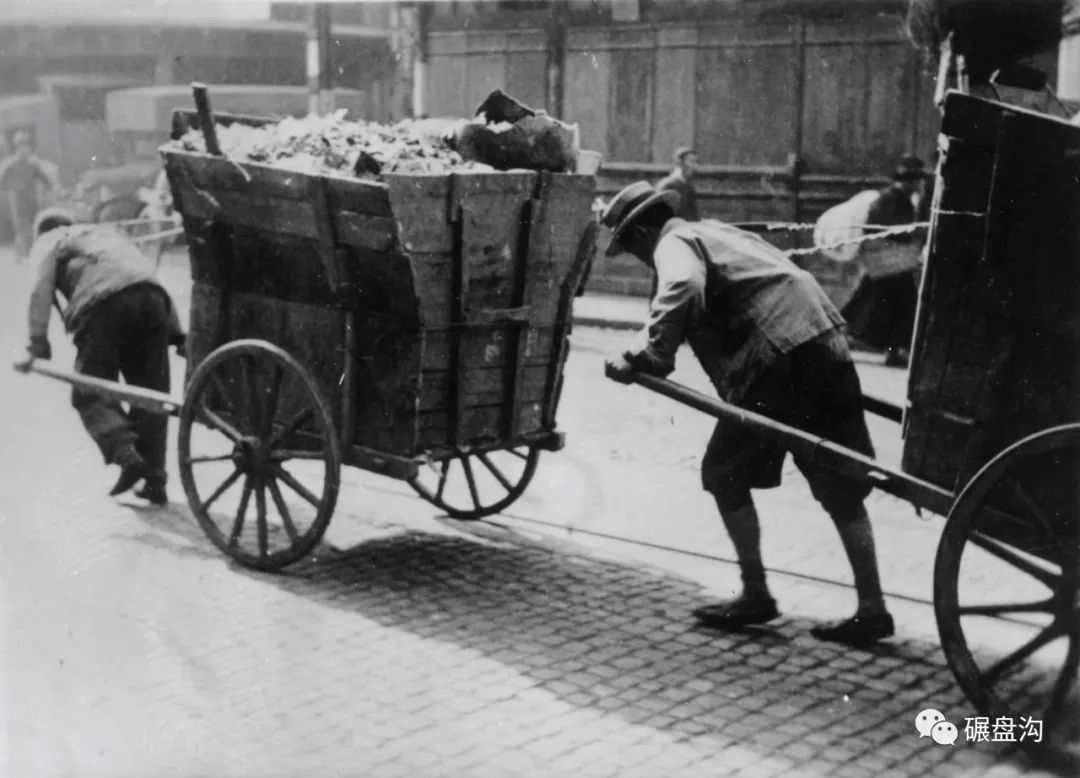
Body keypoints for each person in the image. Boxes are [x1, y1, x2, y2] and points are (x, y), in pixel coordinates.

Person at [599, 181, 894, 646]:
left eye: (632, 249)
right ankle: (872, 605)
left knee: (723, 471)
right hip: (823, 337)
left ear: (640, 235)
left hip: (779, 356)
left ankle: (756, 593)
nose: (638, 259)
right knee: (838, 480)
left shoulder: (674, 243)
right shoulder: (716, 231)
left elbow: (682, 285)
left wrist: (647, 356)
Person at [14, 208, 186, 505]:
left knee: (89, 391)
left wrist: (37, 341)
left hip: (104, 302)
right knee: (151, 394)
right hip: (153, 301)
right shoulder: (106, 236)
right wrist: (177, 333)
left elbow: (39, 291)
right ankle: (155, 479)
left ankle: (126, 453)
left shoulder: (50, 240)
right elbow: (145, 277)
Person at [841, 155, 927, 367]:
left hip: (890, 263)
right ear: (910, 181)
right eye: (917, 180)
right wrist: (914, 234)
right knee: (895, 307)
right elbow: (890, 229)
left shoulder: (896, 198)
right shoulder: (893, 199)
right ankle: (893, 350)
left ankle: (891, 350)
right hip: (892, 261)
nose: (920, 184)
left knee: (873, 305)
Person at [0, 130, 58, 263]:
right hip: (18, 202)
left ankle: (20, 255)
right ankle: (27, 255)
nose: (24, 148)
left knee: (31, 228)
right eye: (21, 145)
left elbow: (45, 179)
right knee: (22, 228)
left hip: (32, 201)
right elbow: (2, 183)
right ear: (16, 147)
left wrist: (50, 187)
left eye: (26, 144)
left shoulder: (33, 164)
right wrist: (14, 185)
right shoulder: (10, 165)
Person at [656, 146, 700, 222]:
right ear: (679, 163)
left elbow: (695, 217)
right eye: (691, 162)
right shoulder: (667, 185)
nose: (695, 167)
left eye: (696, 162)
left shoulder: (689, 187)